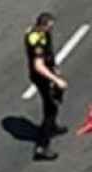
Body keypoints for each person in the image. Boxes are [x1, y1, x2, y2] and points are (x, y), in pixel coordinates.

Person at [24, 12, 69, 161]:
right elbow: (38, 66)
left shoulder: (41, 33)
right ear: (42, 25)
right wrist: (55, 80)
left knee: (55, 98)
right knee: (51, 108)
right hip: (42, 77)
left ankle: (53, 126)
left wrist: (55, 67)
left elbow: (48, 53)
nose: (51, 30)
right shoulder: (36, 40)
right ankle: (42, 147)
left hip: (49, 71)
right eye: (49, 27)